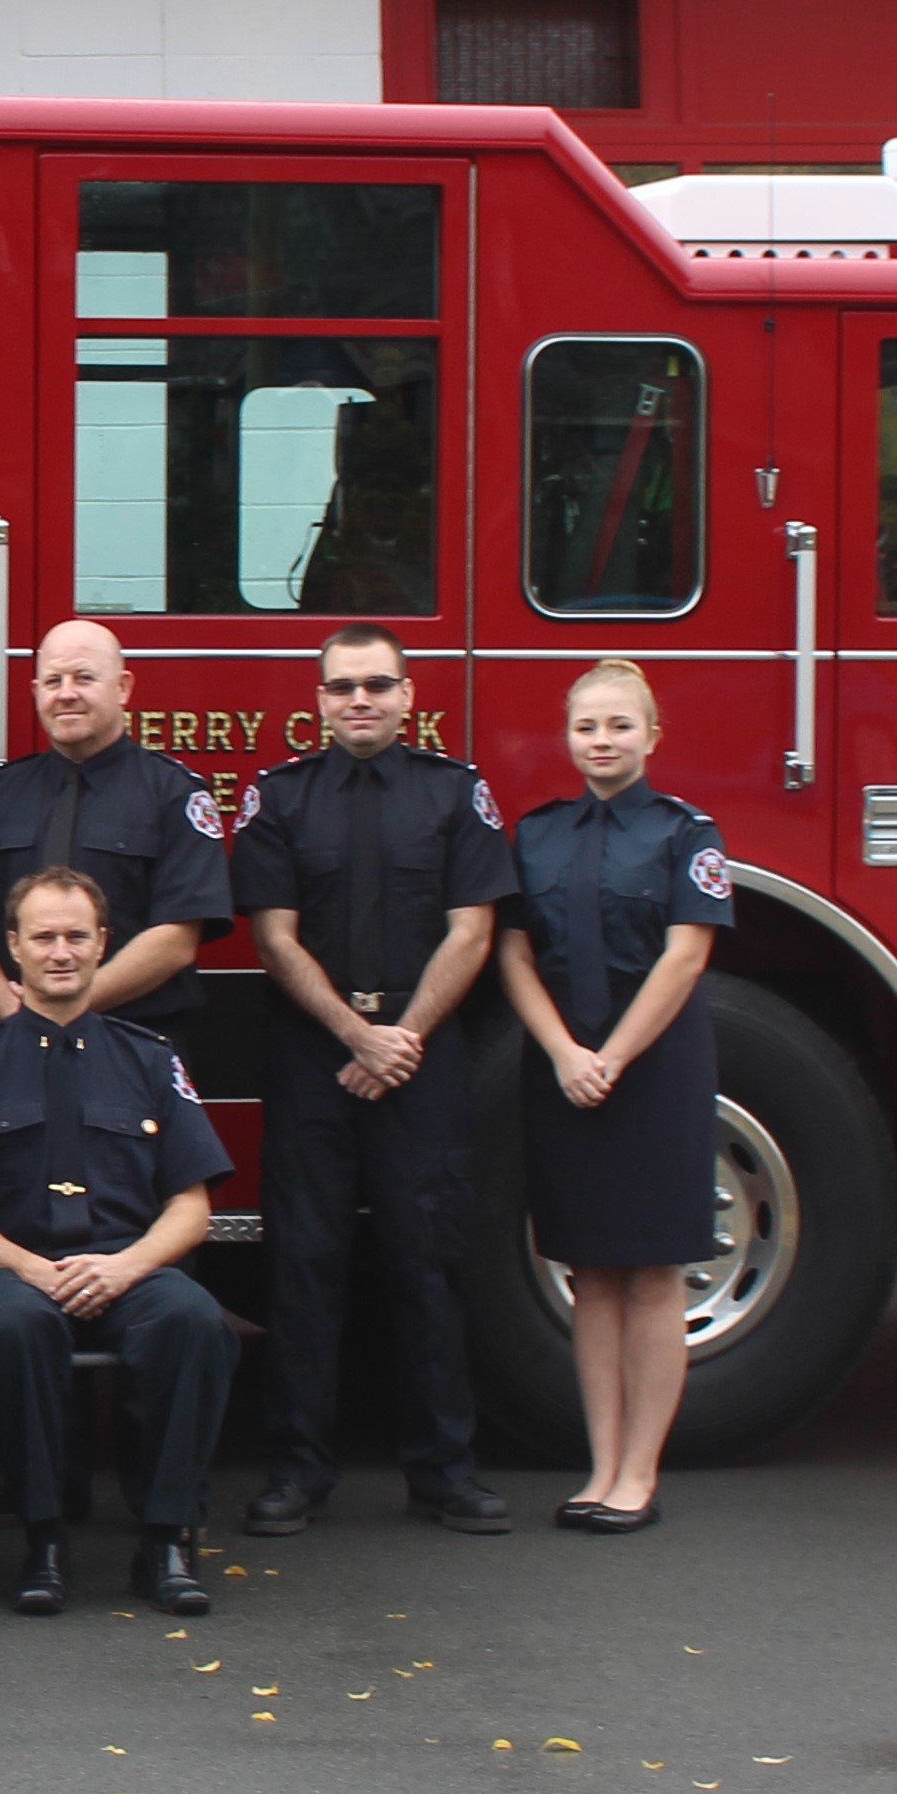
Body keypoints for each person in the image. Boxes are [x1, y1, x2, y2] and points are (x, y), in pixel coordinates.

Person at [231, 624, 521, 1539]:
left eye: (377, 685)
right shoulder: (281, 797)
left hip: (420, 1053)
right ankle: (296, 1472)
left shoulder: (454, 792)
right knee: (302, 1264)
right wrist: (357, 1034)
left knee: (429, 1261)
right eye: (342, 686)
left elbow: (473, 931)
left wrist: (403, 1037)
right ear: (318, 699)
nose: (359, 700)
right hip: (314, 1051)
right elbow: (274, 938)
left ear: (407, 695)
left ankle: (444, 1472)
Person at [0, 868, 238, 1618]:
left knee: (195, 1321)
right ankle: (44, 1541)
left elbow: (192, 1206)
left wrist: (127, 1266)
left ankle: (165, 1542)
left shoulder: (150, 1058)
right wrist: (29, 1268)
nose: (61, 952)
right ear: (13, 947)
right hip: (14, 1266)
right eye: (44, 937)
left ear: (103, 943)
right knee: (14, 1328)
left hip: (126, 1263)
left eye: (76, 936)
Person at [490, 659, 732, 1536]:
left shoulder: (686, 834)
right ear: (568, 737)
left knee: (654, 1271)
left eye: (620, 725)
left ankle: (640, 1472)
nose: (602, 741)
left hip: (656, 1074)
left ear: (652, 735)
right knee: (590, 1273)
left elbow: (686, 956)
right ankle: (599, 1466)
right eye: (587, 726)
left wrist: (614, 1057)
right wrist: (565, 1053)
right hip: (564, 1071)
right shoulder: (537, 835)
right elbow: (513, 953)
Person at [0, 621, 233, 1036]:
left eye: (84, 678)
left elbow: (177, 937)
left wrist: (67, 1007)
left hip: (134, 1041)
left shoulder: (175, 795)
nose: (66, 694)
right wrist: (15, 1015)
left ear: (123, 687)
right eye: (53, 681)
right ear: (35, 692)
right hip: (10, 1040)